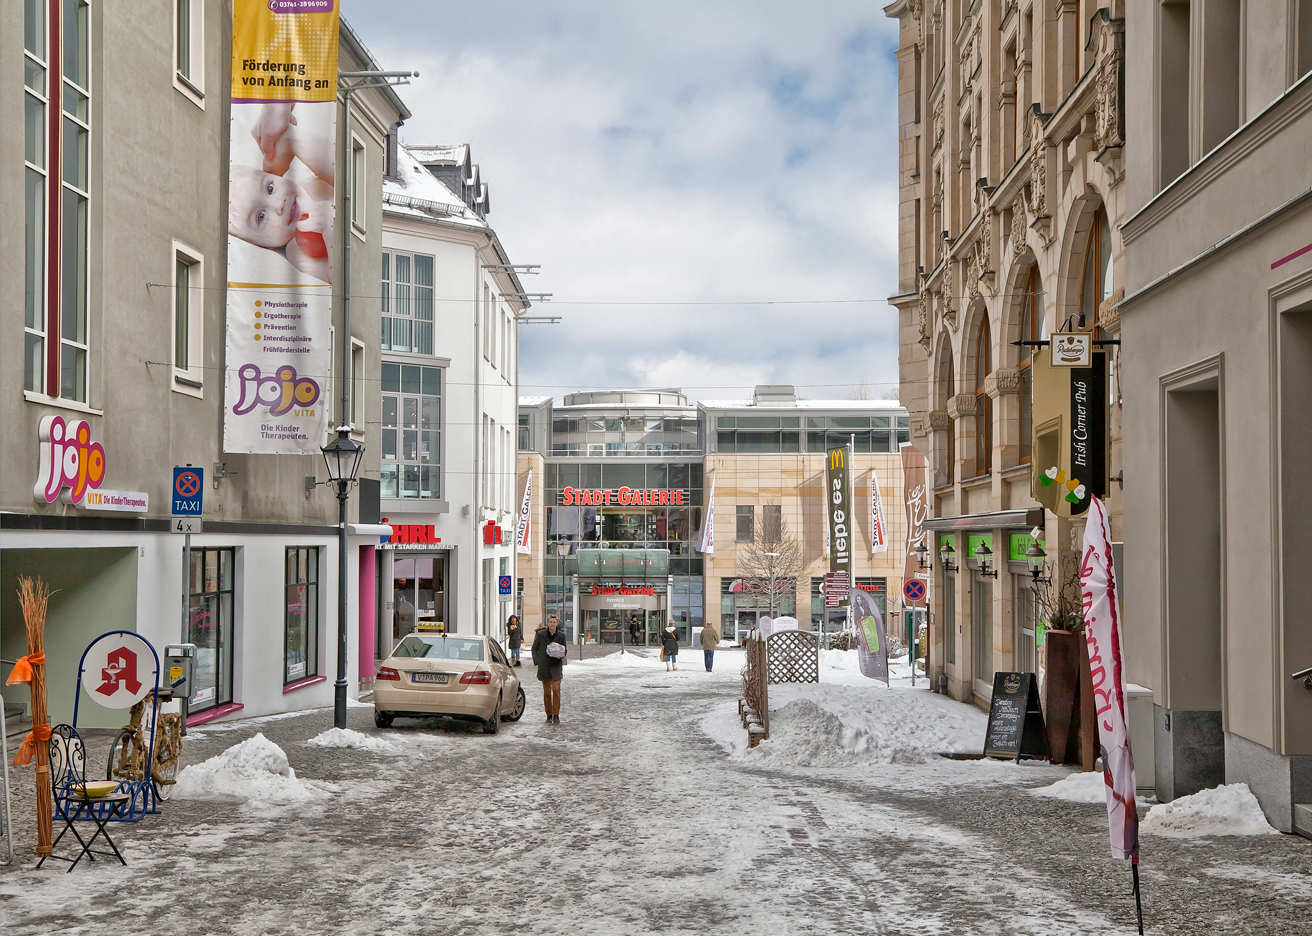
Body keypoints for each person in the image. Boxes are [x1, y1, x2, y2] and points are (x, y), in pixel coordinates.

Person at [228, 102, 335, 283]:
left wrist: (286, 126)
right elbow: (335, 278)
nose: (279, 204)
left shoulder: (307, 186)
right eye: (261, 216)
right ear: (265, 246)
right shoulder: (297, 248)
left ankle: (288, 138)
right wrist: (331, 224)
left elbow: (350, 175)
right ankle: (289, 138)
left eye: (270, 188)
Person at [532, 613, 568, 723]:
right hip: (545, 667)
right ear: (548, 623)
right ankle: (549, 714)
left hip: (556, 666)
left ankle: (556, 714)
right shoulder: (541, 634)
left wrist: (560, 654)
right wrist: (538, 661)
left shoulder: (561, 636)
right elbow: (534, 648)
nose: (552, 624)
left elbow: (564, 650)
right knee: (547, 693)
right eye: (550, 622)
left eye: (554, 622)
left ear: (557, 623)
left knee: (556, 690)